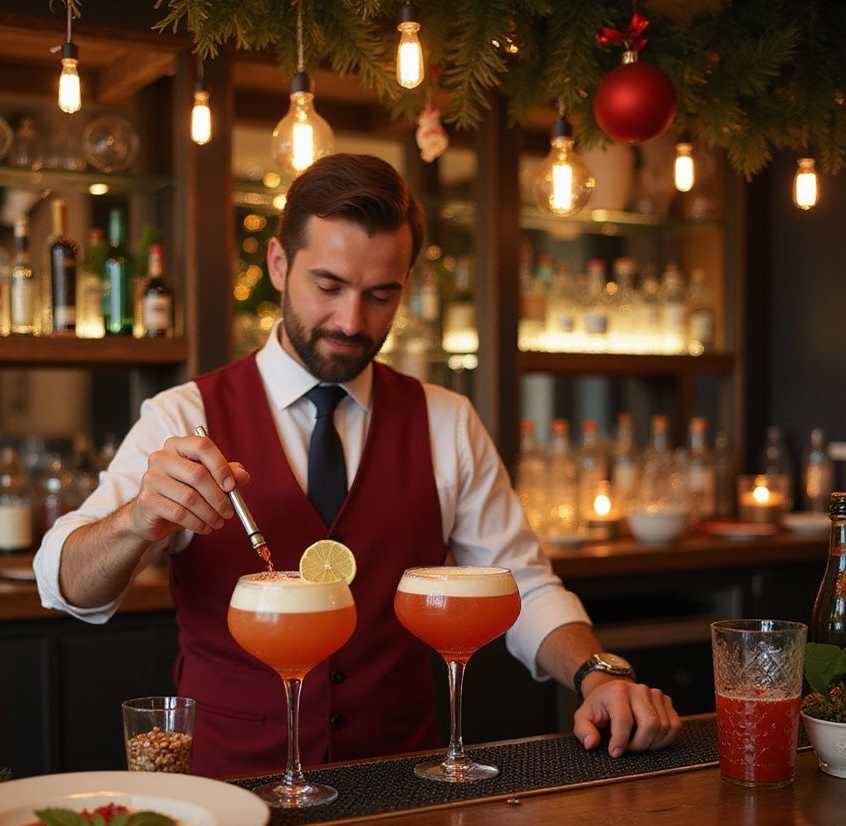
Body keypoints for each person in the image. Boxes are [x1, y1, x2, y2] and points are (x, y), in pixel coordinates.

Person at [35, 153, 681, 778]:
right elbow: (66, 584)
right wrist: (137, 520)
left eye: (380, 295)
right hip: (232, 789)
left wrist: (598, 674)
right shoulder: (183, 415)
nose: (351, 320)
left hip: (400, 783)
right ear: (279, 263)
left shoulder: (447, 419)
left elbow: (523, 585)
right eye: (329, 287)